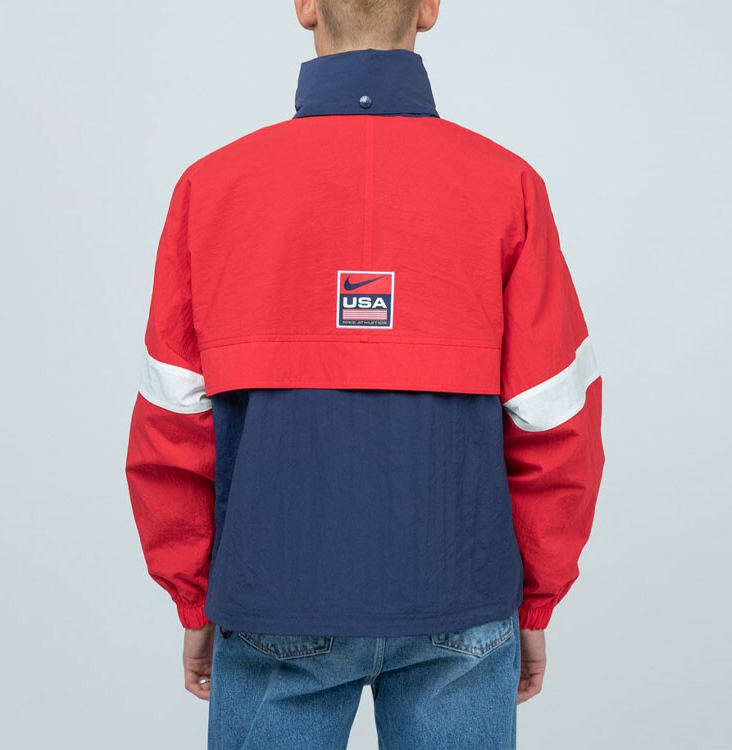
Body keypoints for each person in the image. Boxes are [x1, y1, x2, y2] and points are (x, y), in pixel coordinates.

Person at [125, 1, 604, 747]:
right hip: (459, 597)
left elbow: (171, 425)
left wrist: (192, 597)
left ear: (305, 6)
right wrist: (538, 599)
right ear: (429, 9)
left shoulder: (211, 188)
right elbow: (556, 420)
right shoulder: (507, 186)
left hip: (275, 594)